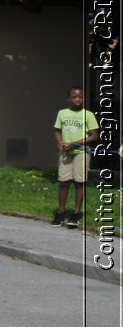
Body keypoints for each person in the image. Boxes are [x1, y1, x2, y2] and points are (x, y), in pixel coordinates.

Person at [53, 85, 99, 229]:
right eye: (74, 97)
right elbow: (57, 130)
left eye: (80, 97)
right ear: (69, 99)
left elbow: (95, 136)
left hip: (81, 153)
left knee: (80, 183)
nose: (78, 99)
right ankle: (61, 212)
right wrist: (61, 142)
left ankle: (76, 213)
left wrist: (74, 143)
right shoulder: (62, 113)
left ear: (84, 99)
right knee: (64, 182)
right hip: (66, 153)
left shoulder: (89, 115)